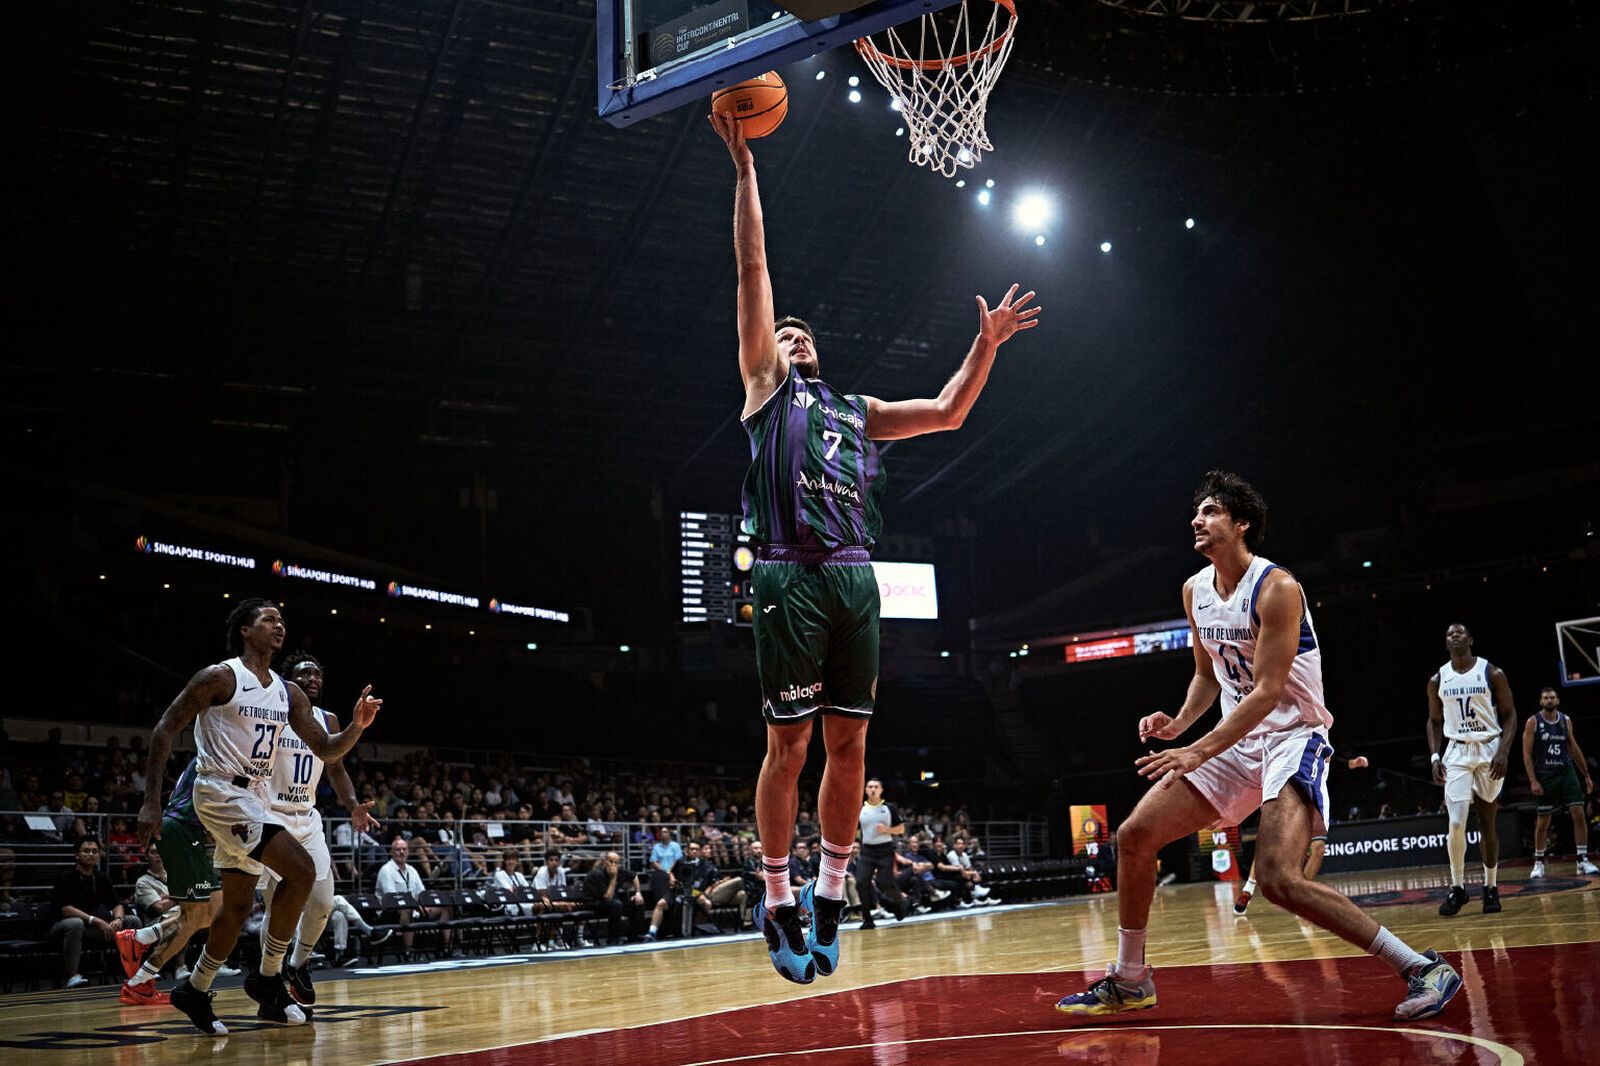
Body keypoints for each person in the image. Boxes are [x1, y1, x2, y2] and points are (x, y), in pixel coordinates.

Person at [708, 109, 1041, 986]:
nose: (794, 337)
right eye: (784, 334)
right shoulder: (765, 392)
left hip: (856, 580)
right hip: (788, 574)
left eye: (803, 334)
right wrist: (745, 171)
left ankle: (829, 890)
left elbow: (950, 411)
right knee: (789, 748)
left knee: (851, 746)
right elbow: (753, 267)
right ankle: (775, 893)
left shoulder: (857, 412)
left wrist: (985, 345)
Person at [1057, 472, 1459, 1023]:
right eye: (1196, 512)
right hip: (1237, 740)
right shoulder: (1194, 590)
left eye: (1210, 511)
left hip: (1293, 736)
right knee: (1134, 836)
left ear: (1241, 523)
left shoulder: (1277, 588)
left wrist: (1197, 751)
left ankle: (1422, 967)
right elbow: (1207, 675)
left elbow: (1268, 692)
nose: (1197, 520)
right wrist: (1179, 724)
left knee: (1277, 879)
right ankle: (1130, 979)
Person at [138, 599, 380, 1032]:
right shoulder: (220, 677)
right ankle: (269, 977)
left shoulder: (288, 693)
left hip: (254, 797)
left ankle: (195, 988)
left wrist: (357, 726)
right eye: (269, 619)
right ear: (246, 631)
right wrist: (151, 801)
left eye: (282, 620)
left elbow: (327, 750)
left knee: (235, 909)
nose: (279, 625)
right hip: (221, 791)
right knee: (302, 871)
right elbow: (164, 728)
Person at [260, 652, 382, 1006]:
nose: (313, 679)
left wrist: (352, 804)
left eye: (317, 674)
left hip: (306, 817)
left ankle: (298, 964)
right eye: (305, 674)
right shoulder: (273, 710)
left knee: (323, 901)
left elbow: (336, 768)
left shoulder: (327, 719)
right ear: (289, 679)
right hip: (271, 816)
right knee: (276, 908)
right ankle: (269, 978)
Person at [116, 758, 237, 1009]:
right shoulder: (223, 754)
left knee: (215, 911)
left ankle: (141, 937)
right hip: (182, 831)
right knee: (193, 917)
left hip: (188, 832)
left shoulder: (212, 756)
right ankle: (139, 983)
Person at [1427, 623, 1517, 916]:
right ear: (1446, 643)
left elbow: (1510, 714)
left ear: (1470, 640)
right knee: (1455, 823)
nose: (1454, 636)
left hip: (1489, 748)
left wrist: (1503, 751)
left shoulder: (1492, 673)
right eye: (1449, 634)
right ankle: (1457, 888)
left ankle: (1491, 887)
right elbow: (1434, 721)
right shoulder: (1438, 679)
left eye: (1460, 633)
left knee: (1487, 823)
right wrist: (1435, 756)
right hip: (1457, 752)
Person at [1235, 755, 1369, 914]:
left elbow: (1335, 760)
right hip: (1287, 796)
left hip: (1314, 799)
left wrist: (1352, 763)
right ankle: (1248, 890)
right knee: (1268, 845)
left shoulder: (1321, 745)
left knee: (1318, 848)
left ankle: (1301, 896)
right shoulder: (1287, 745)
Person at [1523, 686, 1597, 877]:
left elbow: (1574, 748)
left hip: (1566, 771)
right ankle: (1539, 862)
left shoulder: (1565, 720)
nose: (1549, 700)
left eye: (1552, 697)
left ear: (1557, 700)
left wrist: (1586, 775)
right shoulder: (1533, 722)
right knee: (1543, 821)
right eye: (1545, 698)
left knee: (1579, 814)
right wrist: (1533, 780)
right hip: (1545, 774)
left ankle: (1582, 860)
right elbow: (1526, 753)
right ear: (1541, 701)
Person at [52, 837, 142, 989]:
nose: (91, 854)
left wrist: (118, 919)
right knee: (76, 923)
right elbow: (66, 909)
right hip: (62, 927)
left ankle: (135, 972)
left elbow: (116, 904)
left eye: (94, 851)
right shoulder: (66, 877)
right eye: (86, 851)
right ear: (77, 855)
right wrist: (97, 920)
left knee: (133, 921)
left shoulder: (101, 878)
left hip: (90, 928)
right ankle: (72, 976)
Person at [376, 836, 456, 960]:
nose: (402, 852)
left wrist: (424, 905)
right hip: (390, 912)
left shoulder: (412, 870)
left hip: (415, 909)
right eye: (398, 849)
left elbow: (422, 893)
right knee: (406, 909)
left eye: (404, 849)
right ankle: (408, 952)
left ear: (408, 851)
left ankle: (446, 948)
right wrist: (416, 905)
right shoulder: (386, 870)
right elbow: (391, 898)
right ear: (391, 852)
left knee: (445, 908)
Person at [856, 778, 908, 930]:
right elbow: (855, 830)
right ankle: (867, 920)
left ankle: (900, 902)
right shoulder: (860, 809)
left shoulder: (889, 808)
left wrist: (886, 830)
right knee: (861, 883)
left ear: (881, 790)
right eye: (870, 786)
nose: (872, 789)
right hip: (867, 851)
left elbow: (901, 829)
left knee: (883, 883)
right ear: (865, 790)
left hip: (885, 850)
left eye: (876, 787)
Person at [582, 851, 644, 945]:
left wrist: (638, 893)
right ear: (605, 861)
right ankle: (613, 939)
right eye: (611, 861)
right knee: (616, 905)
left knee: (638, 903)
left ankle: (633, 936)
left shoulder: (620, 871)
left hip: (609, 902)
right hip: (593, 903)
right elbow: (607, 897)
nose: (613, 865)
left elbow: (634, 876)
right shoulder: (597, 874)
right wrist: (613, 878)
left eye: (616, 862)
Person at [644, 827, 683, 941]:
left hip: (674, 874)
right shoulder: (656, 847)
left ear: (669, 834)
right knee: (661, 893)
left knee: (665, 901)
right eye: (661, 832)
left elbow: (677, 860)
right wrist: (665, 872)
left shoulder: (675, 846)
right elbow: (653, 862)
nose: (663, 834)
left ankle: (659, 929)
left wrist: (670, 872)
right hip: (660, 875)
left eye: (665, 832)